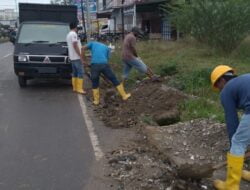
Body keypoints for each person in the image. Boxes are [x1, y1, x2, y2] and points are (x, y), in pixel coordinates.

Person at [210, 65, 250, 190]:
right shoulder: (244, 79)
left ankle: (231, 186)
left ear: (221, 80)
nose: (219, 90)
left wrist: (235, 149)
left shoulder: (226, 90)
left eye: (217, 86)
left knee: (238, 142)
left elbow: (232, 120)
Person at [82, 39, 131, 105]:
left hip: (94, 65)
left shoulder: (92, 43)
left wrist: (84, 60)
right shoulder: (107, 48)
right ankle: (124, 96)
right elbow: (107, 59)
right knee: (114, 79)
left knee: (95, 82)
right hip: (104, 65)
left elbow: (82, 48)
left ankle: (96, 101)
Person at [66, 22, 87, 94]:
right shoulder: (74, 34)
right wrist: (80, 55)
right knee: (80, 72)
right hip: (76, 57)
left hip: (72, 57)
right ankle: (79, 88)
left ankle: (75, 87)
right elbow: (75, 45)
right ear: (75, 27)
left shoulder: (68, 34)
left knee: (74, 73)